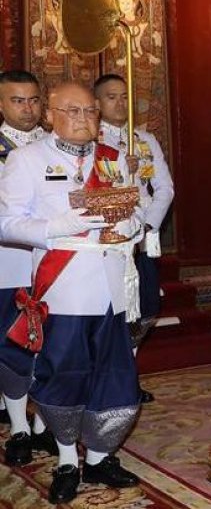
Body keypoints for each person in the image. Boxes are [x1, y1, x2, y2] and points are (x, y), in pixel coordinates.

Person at [0, 81, 144, 503]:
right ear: (50, 115)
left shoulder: (113, 159)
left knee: (116, 375)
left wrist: (132, 226)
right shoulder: (27, 160)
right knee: (64, 374)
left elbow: (131, 208)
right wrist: (54, 229)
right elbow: (6, 222)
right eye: (73, 111)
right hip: (62, 287)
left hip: (114, 288)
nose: (85, 120)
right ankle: (66, 458)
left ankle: (99, 458)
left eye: (91, 112)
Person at [95, 73, 175, 404]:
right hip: (107, 240)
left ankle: (127, 371)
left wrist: (148, 225)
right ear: (97, 104)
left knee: (145, 305)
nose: (119, 103)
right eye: (111, 97)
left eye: (124, 96)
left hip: (141, 237)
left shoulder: (144, 139)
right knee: (110, 308)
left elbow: (165, 188)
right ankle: (105, 377)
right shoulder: (90, 141)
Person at [0, 70, 57, 464]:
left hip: (51, 263)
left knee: (49, 346)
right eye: (18, 101)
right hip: (8, 261)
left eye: (34, 100)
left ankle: (44, 426)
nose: (28, 108)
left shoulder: (56, 145)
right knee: (12, 345)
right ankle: (19, 426)